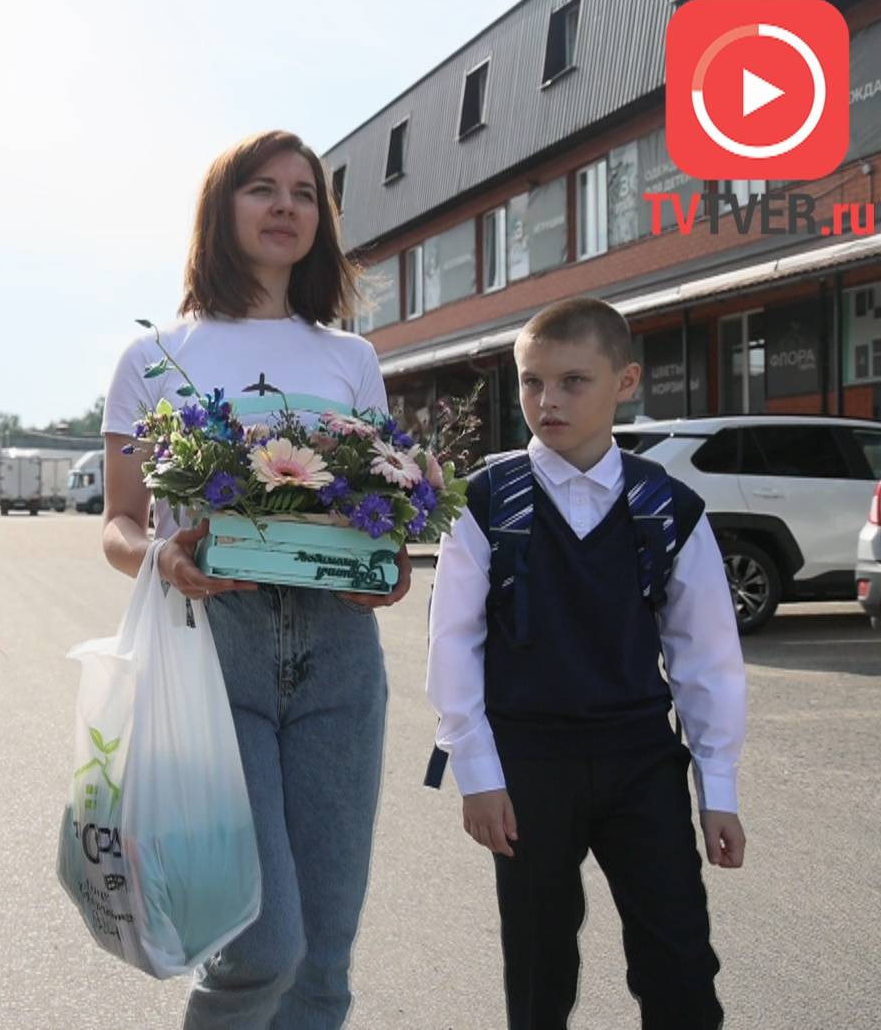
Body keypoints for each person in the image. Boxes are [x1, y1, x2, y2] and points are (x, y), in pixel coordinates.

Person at [100, 130, 411, 1029]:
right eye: (262, 190)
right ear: (220, 210)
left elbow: (373, 512)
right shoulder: (155, 356)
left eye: (305, 194)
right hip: (213, 654)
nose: (285, 207)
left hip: (340, 655)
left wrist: (384, 567)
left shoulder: (349, 358)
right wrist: (158, 554)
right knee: (260, 948)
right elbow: (119, 525)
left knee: (325, 954)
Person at [424, 296, 747, 1029]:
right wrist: (476, 774)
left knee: (679, 960)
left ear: (625, 381)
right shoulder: (484, 502)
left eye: (574, 381)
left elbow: (706, 657)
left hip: (641, 760)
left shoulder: (669, 508)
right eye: (533, 382)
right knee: (539, 966)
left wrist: (717, 785)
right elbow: (453, 644)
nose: (548, 401)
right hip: (528, 763)